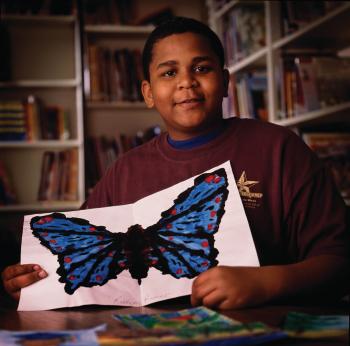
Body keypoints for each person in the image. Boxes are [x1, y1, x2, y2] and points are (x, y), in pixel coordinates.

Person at [2, 17, 349, 309]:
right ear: (148, 93)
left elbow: (339, 260)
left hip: (263, 328)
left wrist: (268, 282)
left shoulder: (278, 149)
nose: (186, 81)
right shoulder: (124, 170)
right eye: (169, 73)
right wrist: (33, 280)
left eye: (202, 68)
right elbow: (80, 259)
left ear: (226, 82)